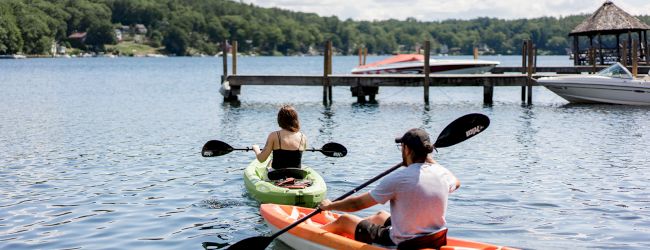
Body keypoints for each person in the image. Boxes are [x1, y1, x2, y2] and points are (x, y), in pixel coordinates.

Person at [317, 128, 460, 247]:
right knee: (380, 216)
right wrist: (428, 159)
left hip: (403, 244)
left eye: (402, 147)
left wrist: (330, 205)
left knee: (345, 220)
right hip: (434, 239)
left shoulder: (399, 178)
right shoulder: (443, 172)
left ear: (407, 150)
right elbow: (456, 183)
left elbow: (357, 204)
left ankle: (314, 229)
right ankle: (332, 224)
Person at [252, 105, 308, 180]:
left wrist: (256, 149)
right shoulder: (303, 137)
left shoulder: (274, 135)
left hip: (277, 176)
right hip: (297, 176)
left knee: (269, 164)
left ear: (280, 120)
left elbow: (261, 159)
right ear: (295, 120)